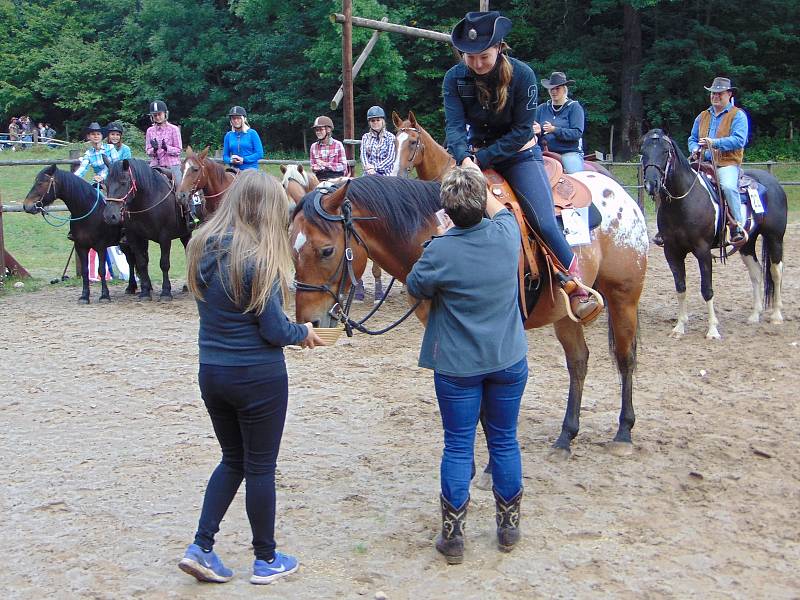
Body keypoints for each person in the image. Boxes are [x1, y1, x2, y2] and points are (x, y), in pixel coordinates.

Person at [180, 170, 325, 585]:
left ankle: (201, 546)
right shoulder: (259, 257)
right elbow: (274, 331)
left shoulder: (201, 246)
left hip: (212, 372)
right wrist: (306, 334)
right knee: (261, 468)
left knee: (232, 460)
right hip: (257, 377)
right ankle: (266, 559)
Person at [443, 11, 601, 323]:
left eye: (483, 56)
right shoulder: (454, 79)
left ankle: (575, 284)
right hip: (471, 157)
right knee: (442, 214)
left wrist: (479, 159)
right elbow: (453, 126)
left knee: (542, 221)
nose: (476, 63)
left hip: (519, 155)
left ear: (499, 48)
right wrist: (463, 158)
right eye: (469, 56)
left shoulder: (523, 76)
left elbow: (520, 132)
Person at [405, 166, 528, 564]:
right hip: (507, 358)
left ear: (447, 209)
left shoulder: (439, 250)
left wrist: (442, 236)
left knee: (457, 445)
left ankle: (454, 538)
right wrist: (475, 174)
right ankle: (508, 529)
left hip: (457, 366)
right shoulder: (507, 234)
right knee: (505, 440)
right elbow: (502, 208)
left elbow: (414, 287)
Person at [688, 76, 748, 244]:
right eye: (713, 93)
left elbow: (739, 140)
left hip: (727, 163)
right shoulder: (702, 116)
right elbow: (692, 138)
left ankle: (737, 225)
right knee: (676, 181)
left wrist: (714, 143)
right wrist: (694, 148)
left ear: (729, 94)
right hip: (702, 162)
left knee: (728, 187)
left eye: (719, 93)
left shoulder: (738, 115)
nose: (715, 96)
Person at [358, 105, 397, 301]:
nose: (375, 123)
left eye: (378, 120)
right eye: (372, 120)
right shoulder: (365, 138)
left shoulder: (391, 138)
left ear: (383, 121)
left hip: (385, 176)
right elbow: (363, 157)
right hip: (368, 176)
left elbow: (391, 159)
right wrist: (369, 169)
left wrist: (377, 170)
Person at [145, 100, 191, 228]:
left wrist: (167, 148)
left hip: (172, 165)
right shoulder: (150, 131)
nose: (157, 117)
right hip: (155, 165)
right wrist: (153, 150)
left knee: (181, 189)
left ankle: (189, 214)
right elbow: (148, 151)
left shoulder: (174, 129)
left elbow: (178, 150)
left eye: (159, 114)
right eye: (155, 115)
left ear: (165, 114)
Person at [534, 71, 585, 173]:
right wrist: (537, 130)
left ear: (564, 89)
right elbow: (531, 129)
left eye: (557, 88)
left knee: (575, 176)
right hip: (542, 152)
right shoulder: (541, 108)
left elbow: (577, 133)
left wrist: (554, 130)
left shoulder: (574, 107)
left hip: (568, 153)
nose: (554, 91)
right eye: (552, 88)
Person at [223, 106, 264, 170]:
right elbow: (225, 156)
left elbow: (259, 154)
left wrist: (243, 159)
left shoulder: (252, 133)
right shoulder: (228, 135)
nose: (236, 121)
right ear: (231, 121)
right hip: (234, 169)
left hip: (250, 169)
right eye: (233, 118)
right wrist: (231, 160)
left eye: (238, 118)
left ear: (244, 119)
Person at [309, 116, 347, 182]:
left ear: (328, 130)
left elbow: (343, 166)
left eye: (321, 129)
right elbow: (313, 165)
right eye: (316, 130)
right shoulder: (313, 146)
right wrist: (316, 168)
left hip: (336, 178)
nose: (318, 132)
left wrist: (325, 164)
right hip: (319, 178)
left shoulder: (338, 145)